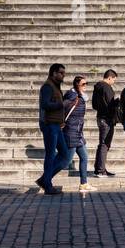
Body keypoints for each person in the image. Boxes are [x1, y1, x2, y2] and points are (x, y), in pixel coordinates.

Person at [36, 63, 69, 195]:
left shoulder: (55, 86)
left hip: (56, 125)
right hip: (49, 125)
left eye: (64, 73)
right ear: (53, 73)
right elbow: (45, 104)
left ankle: (45, 179)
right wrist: (61, 104)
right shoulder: (47, 86)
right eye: (61, 73)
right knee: (50, 155)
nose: (63, 75)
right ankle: (47, 185)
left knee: (64, 155)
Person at [62, 74, 91, 194]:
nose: (85, 86)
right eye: (83, 84)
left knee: (84, 157)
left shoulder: (80, 96)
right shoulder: (73, 96)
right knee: (66, 160)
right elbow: (62, 108)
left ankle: (83, 184)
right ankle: (46, 179)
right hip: (71, 132)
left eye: (86, 84)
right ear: (77, 85)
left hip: (78, 132)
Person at [92, 68, 118, 177]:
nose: (114, 82)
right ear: (109, 77)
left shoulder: (97, 87)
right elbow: (111, 105)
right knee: (105, 144)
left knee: (102, 144)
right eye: (114, 80)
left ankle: (99, 168)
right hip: (107, 119)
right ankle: (101, 170)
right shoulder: (107, 88)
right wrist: (117, 102)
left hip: (100, 117)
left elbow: (94, 105)